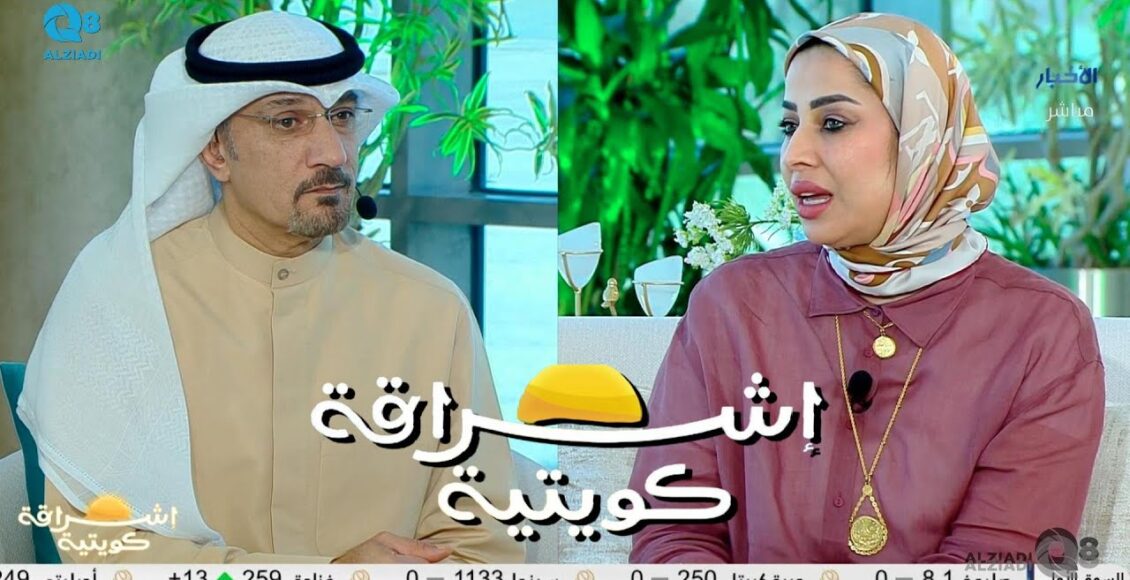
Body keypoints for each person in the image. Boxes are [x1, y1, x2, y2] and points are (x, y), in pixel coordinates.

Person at [19, 11, 522, 564]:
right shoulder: (124, 298)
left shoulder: (431, 311)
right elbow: (98, 543)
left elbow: (480, 546)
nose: (334, 153)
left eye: (342, 116)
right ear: (216, 151)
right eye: (288, 122)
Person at [629, 12, 1104, 563]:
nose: (794, 155)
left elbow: (996, 563)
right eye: (789, 126)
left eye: (833, 123)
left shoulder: (1042, 334)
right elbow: (671, 533)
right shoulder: (733, 306)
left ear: (923, 138)